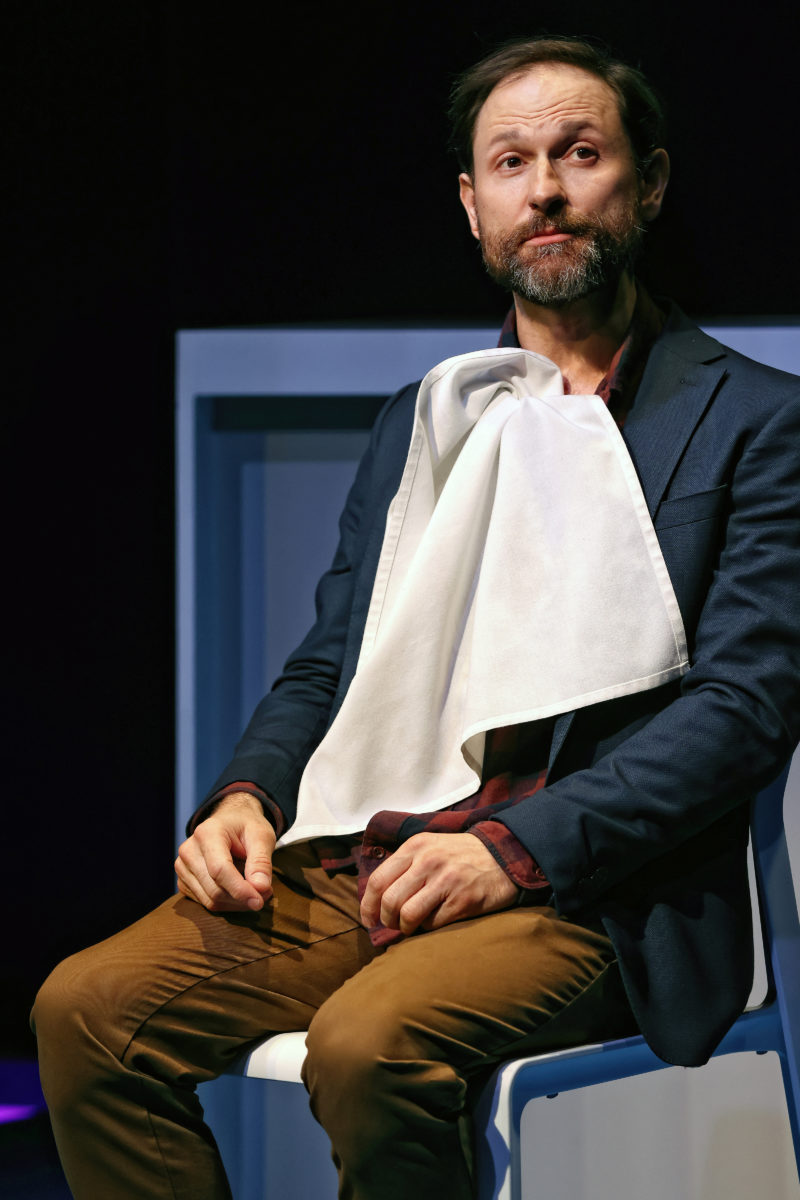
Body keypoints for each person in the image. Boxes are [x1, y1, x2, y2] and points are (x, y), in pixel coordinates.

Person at [33, 35, 800, 1200]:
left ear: (644, 184)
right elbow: (334, 655)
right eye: (509, 162)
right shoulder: (424, 418)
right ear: (470, 205)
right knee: (85, 1014)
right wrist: (247, 793)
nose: (542, 188)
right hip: (382, 853)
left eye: (578, 154)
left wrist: (510, 847)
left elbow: (743, 709)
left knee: (366, 1044)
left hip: (598, 889)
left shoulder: (756, 420)